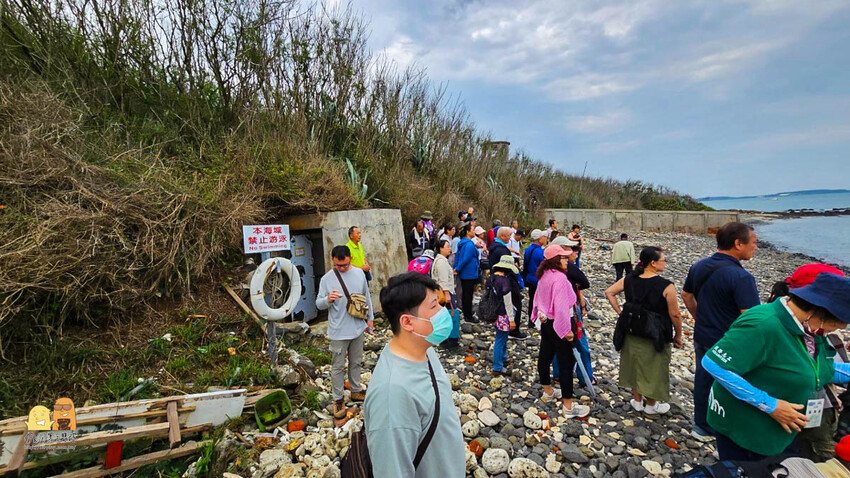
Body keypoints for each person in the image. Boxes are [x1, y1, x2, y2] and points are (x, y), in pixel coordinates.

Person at [702, 273, 850, 461]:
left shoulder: (808, 330)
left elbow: (819, 369)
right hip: (748, 428)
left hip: (781, 431)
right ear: (818, 312)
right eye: (833, 326)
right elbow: (714, 364)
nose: (833, 332)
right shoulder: (764, 325)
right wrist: (770, 404)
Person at [365, 272, 465, 477]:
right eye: (434, 306)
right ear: (408, 322)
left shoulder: (424, 349)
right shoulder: (392, 394)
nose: (442, 311)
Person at [681, 221, 761, 441]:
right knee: (732, 386)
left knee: (703, 379)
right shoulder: (742, 277)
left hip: (703, 335)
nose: (756, 247)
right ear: (738, 243)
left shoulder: (699, 266)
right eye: (753, 243)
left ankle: (701, 426)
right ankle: (725, 429)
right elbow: (751, 318)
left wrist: (700, 317)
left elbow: (686, 296)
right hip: (729, 342)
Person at [770, 264, 848, 462]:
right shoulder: (816, 330)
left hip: (791, 407)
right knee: (817, 455)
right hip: (813, 408)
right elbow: (823, 370)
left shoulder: (780, 315)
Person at [605, 247, 683, 415]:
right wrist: (678, 334)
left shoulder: (629, 279)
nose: (666, 263)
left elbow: (609, 292)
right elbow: (675, 314)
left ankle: (638, 401)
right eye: (663, 260)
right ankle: (651, 405)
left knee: (634, 364)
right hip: (656, 332)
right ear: (653, 263)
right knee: (655, 367)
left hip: (632, 329)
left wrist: (621, 312)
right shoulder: (666, 286)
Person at [531, 244, 590, 418]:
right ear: (556, 260)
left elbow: (537, 299)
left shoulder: (544, 276)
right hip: (559, 322)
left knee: (545, 355)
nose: (568, 260)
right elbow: (562, 308)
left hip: (546, 323)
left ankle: (548, 391)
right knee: (566, 363)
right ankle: (568, 406)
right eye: (564, 258)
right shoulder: (560, 279)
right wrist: (566, 330)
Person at [316, 246, 374, 419]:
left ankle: (356, 390)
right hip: (338, 331)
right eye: (338, 265)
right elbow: (318, 303)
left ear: (350, 259)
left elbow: (367, 296)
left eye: (345, 265)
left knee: (356, 361)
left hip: (357, 328)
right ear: (332, 259)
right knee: (338, 366)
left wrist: (369, 318)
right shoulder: (327, 279)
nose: (341, 268)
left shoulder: (359, 274)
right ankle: (338, 398)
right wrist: (327, 299)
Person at [552, 236, 594, 387]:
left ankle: (557, 374)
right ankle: (586, 377)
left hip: (554, 311)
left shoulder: (548, 269)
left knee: (559, 343)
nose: (575, 252)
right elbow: (584, 283)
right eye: (571, 249)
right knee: (581, 345)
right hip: (570, 310)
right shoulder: (569, 268)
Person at [489, 228, 526, 340]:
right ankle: (513, 329)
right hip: (507, 280)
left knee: (502, 304)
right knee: (515, 304)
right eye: (508, 236)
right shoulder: (502, 250)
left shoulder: (494, 246)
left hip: (496, 279)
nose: (510, 238)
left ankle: (503, 325)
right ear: (502, 236)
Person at [489, 256, 518, 376]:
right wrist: (512, 320)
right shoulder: (504, 281)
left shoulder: (491, 278)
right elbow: (508, 302)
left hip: (493, 312)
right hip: (503, 313)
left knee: (501, 336)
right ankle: (497, 366)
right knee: (500, 339)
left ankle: (503, 357)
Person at [431, 239, 460, 349]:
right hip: (445, 293)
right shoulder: (442, 262)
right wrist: (447, 294)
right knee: (451, 315)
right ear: (441, 248)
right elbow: (443, 280)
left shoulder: (440, 260)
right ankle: (451, 340)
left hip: (441, 292)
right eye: (447, 247)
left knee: (444, 315)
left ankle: (444, 339)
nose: (449, 249)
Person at [454, 222, 480, 324]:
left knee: (466, 293)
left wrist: (456, 267)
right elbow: (466, 259)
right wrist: (458, 268)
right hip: (469, 273)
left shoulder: (462, 243)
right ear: (468, 232)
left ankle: (467, 312)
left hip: (466, 272)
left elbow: (458, 257)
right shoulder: (469, 244)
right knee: (468, 294)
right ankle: (468, 315)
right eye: (473, 230)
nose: (474, 232)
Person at [523, 229, 548, 327]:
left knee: (532, 300)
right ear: (539, 238)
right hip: (538, 279)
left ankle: (531, 320)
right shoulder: (540, 252)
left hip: (529, 278)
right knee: (540, 301)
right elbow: (545, 266)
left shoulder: (528, 249)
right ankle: (538, 320)